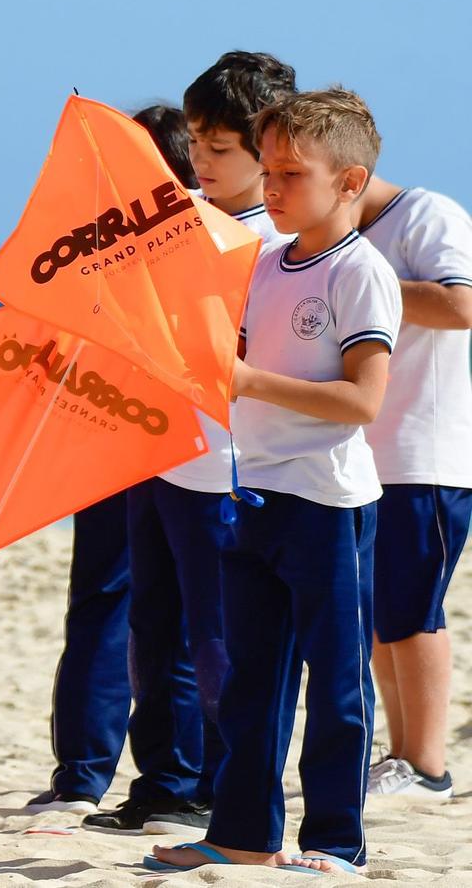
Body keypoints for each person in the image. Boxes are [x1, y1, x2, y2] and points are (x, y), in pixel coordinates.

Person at [150, 88, 399, 875]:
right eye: (272, 171)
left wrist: (249, 380)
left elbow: (363, 400)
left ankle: (334, 841)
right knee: (252, 679)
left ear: (350, 182)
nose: (274, 189)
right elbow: (230, 365)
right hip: (252, 490)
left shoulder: (361, 272)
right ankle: (242, 835)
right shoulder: (260, 261)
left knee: (335, 682)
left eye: (293, 174)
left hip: (328, 500)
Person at [84, 66, 296, 834]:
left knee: (221, 641)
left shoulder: (279, 240)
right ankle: (166, 782)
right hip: (158, 450)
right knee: (154, 630)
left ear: (265, 147)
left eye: (219, 144)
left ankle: (227, 785)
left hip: (232, 467)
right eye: (196, 140)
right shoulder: (174, 217)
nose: (199, 157)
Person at [357, 172, 472, 800]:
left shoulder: (426, 213)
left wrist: (359, 284)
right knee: (381, 617)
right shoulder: (346, 230)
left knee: (412, 611)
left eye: (292, 172)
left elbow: (461, 306)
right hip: (367, 456)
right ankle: (402, 756)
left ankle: (428, 765)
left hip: (424, 454)